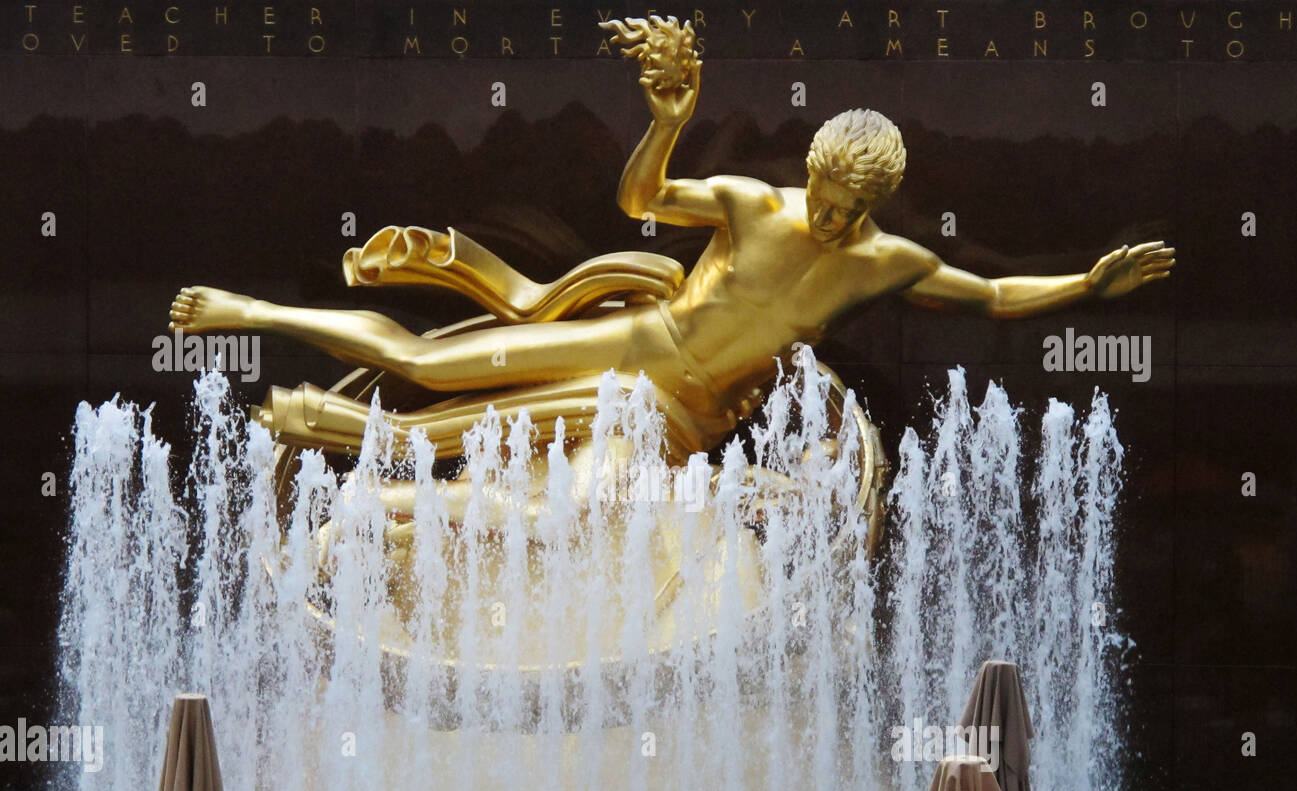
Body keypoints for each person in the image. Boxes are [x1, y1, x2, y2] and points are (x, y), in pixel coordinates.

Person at [168, 16, 1173, 464]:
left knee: (475, 440)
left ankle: (321, 423)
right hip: (642, 344)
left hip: (684, 412)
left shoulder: (887, 264)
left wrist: (1086, 282)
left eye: (838, 209)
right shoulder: (751, 203)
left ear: (876, 203)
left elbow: (991, 298)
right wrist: (669, 116)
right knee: (433, 364)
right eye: (817, 194)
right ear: (811, 172)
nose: (820, 218)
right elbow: (641, 195)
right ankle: (250, 311)